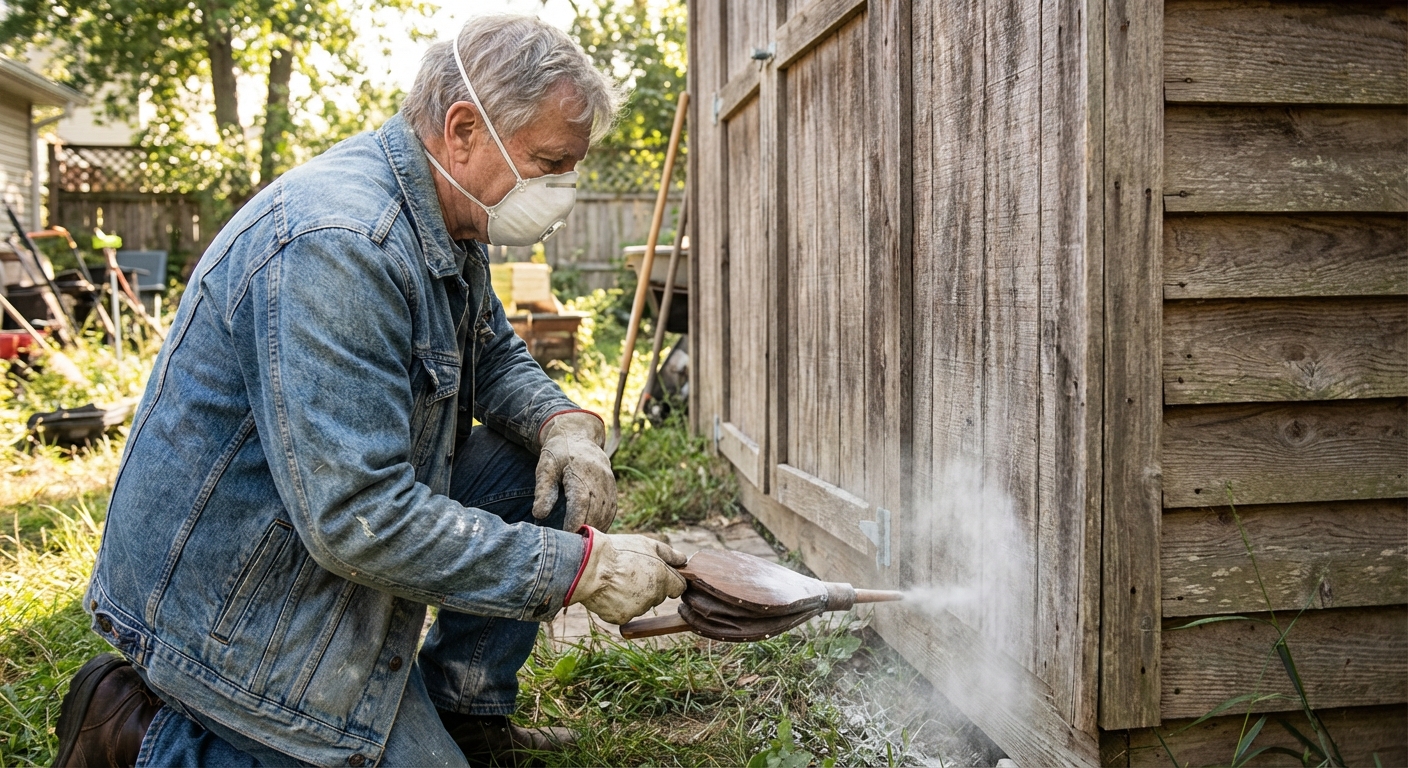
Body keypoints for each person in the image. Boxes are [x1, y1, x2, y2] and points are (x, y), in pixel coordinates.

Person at [52, 15, 688, 767]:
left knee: (531, 471)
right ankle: (136, 735)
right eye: (550, 163)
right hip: (234, 602)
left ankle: (466, 713)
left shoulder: (449, 217)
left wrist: (562, 424)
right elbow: (358, 518)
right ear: (461, 128)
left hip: (310, 538)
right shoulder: (340, 245)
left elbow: (492, 355)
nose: (562, 191)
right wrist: (584, 570)